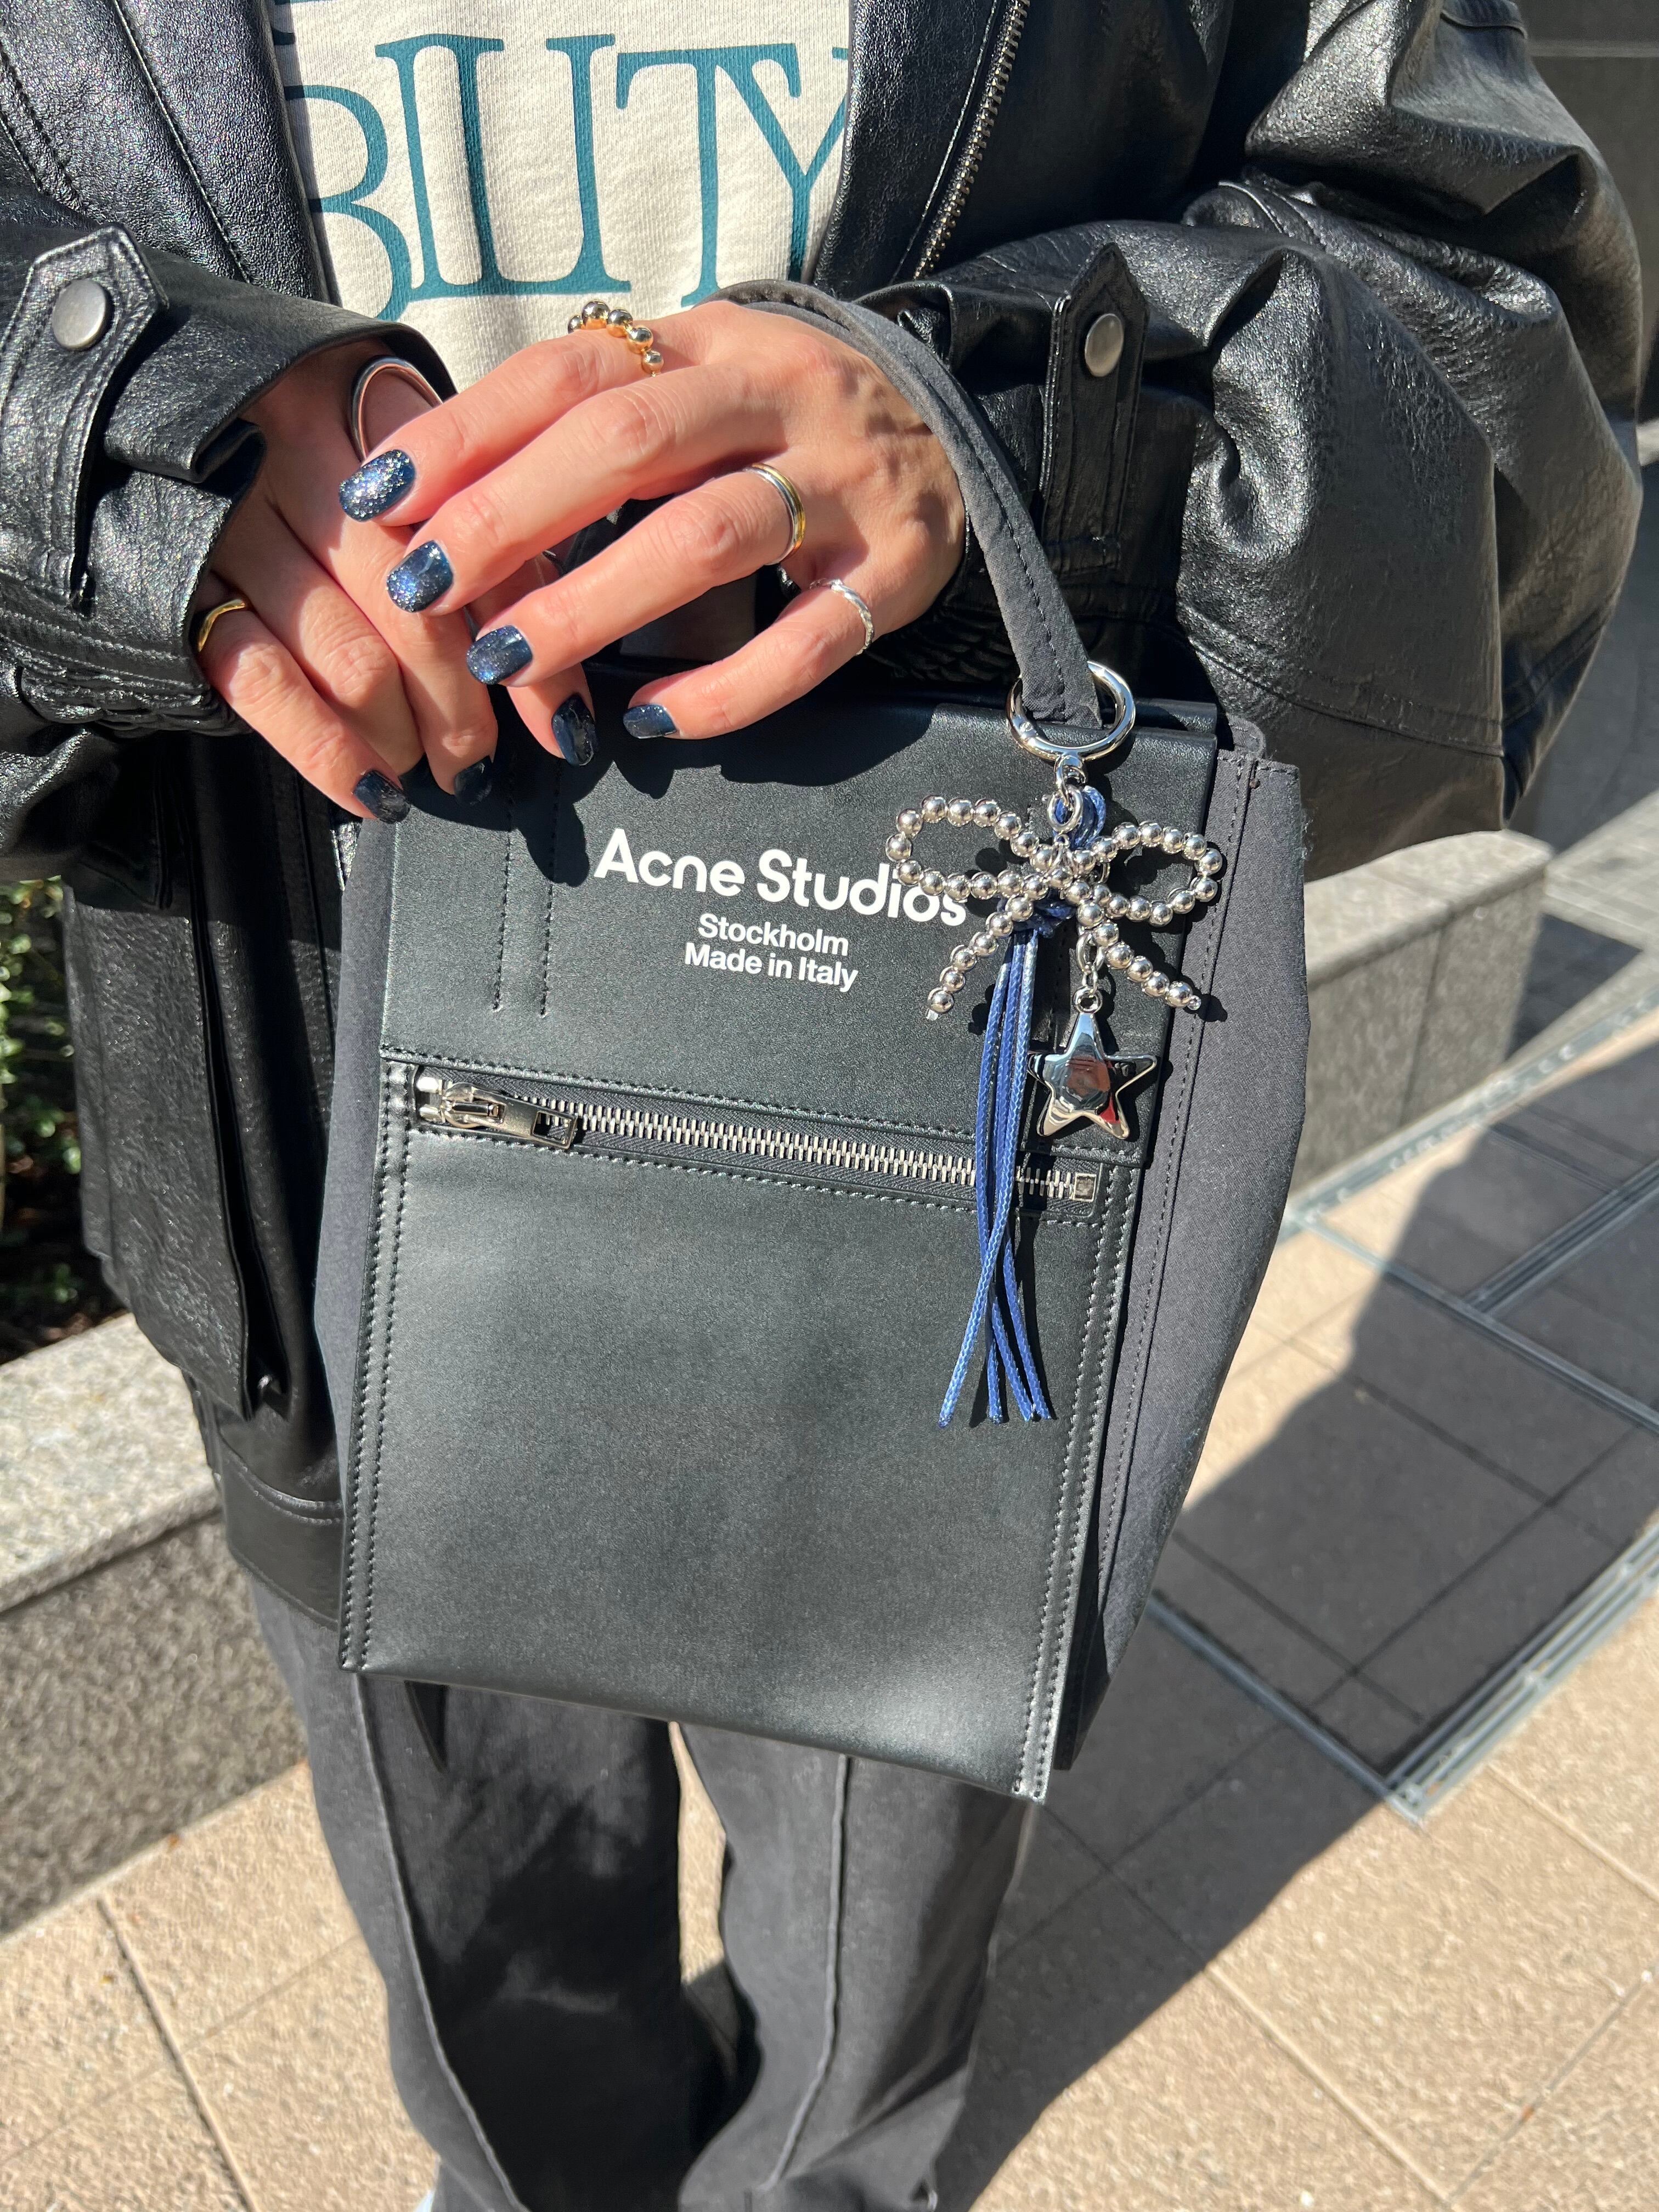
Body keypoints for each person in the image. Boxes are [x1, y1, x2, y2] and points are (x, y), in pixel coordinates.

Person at [0, 4, 1641, 2208]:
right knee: (487, 1959)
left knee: (870, 1960)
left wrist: (1023, 437)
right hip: (313, 1131)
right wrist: (116, 439)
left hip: (916, 1175)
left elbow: (1508, 397)